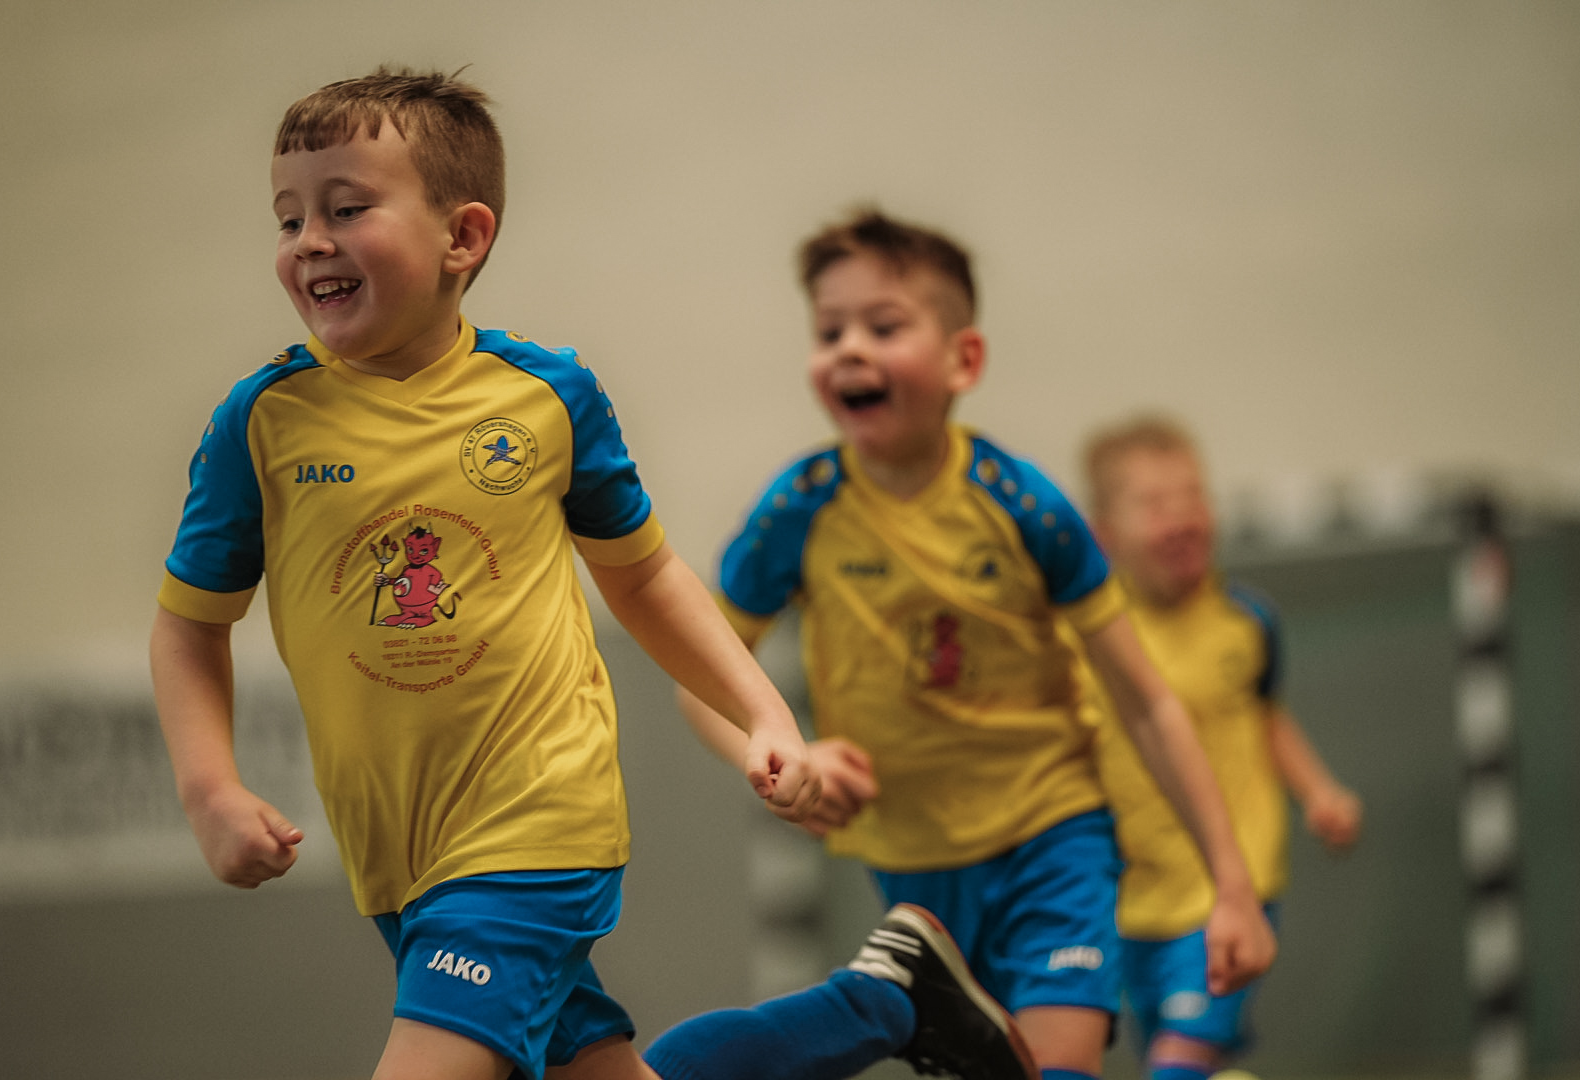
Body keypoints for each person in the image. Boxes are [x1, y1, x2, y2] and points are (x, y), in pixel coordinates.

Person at [151, 69, 1023, 1080]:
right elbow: (189, 624)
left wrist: (764, 717)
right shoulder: (261, 423)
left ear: (462, 237)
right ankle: (885, 998)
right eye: (288, 217)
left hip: (533, 827)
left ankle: (886, 998)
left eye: (346, 209)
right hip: (399, 856)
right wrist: (210, 790)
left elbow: (645, 580)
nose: (309, 240)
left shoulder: (545, 397)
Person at [660, 209, 1277, 1080]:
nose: (849, 349)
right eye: (829, 331)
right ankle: (871, 1007)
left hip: (1052, 834)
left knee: (1058, 1064)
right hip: (912, 860)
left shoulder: (1024, 507)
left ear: (965, 360)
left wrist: (1232, 886)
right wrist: (779, 755)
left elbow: (1148, 704)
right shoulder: (798, 510)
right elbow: (700, 678)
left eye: (884, 326)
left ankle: (882, 1008)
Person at [1082, 416, 1362, 1080]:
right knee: (1171, 1056)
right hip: (1130, 899)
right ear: (1106, 534)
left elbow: (1266, 718)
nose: (1181, 516)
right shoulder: (1091, 634)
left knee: (1177, 1063)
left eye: (1193, 496)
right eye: (1155, 503)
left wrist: (1318, 791)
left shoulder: (1246, 621)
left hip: (1230, 889)